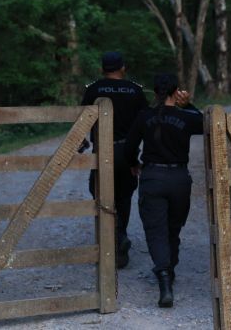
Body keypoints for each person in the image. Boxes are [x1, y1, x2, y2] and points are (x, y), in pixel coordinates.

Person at [125, 73, 203, 308]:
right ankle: (169, 268)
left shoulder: (144, 116)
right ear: (175, 92)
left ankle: (164, 276)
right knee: (173, 227)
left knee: (155, 229)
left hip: (153, 177)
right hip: (179, 178)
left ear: (155, 92)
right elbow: (205, 123)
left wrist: (133, 163)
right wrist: (187, 103)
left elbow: (129, 147)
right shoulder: (186, 117)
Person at [80, 51, 148, 269]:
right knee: (125, 195)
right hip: (127, 151)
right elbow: (147, 121)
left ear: (102, 69)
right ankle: (120, 237)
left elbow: (81, 121)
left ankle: (115, 238)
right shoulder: (136, 90)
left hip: (102, 153)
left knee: (98, 191)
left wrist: (83, 142)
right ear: (123, 68)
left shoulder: (93, 89)